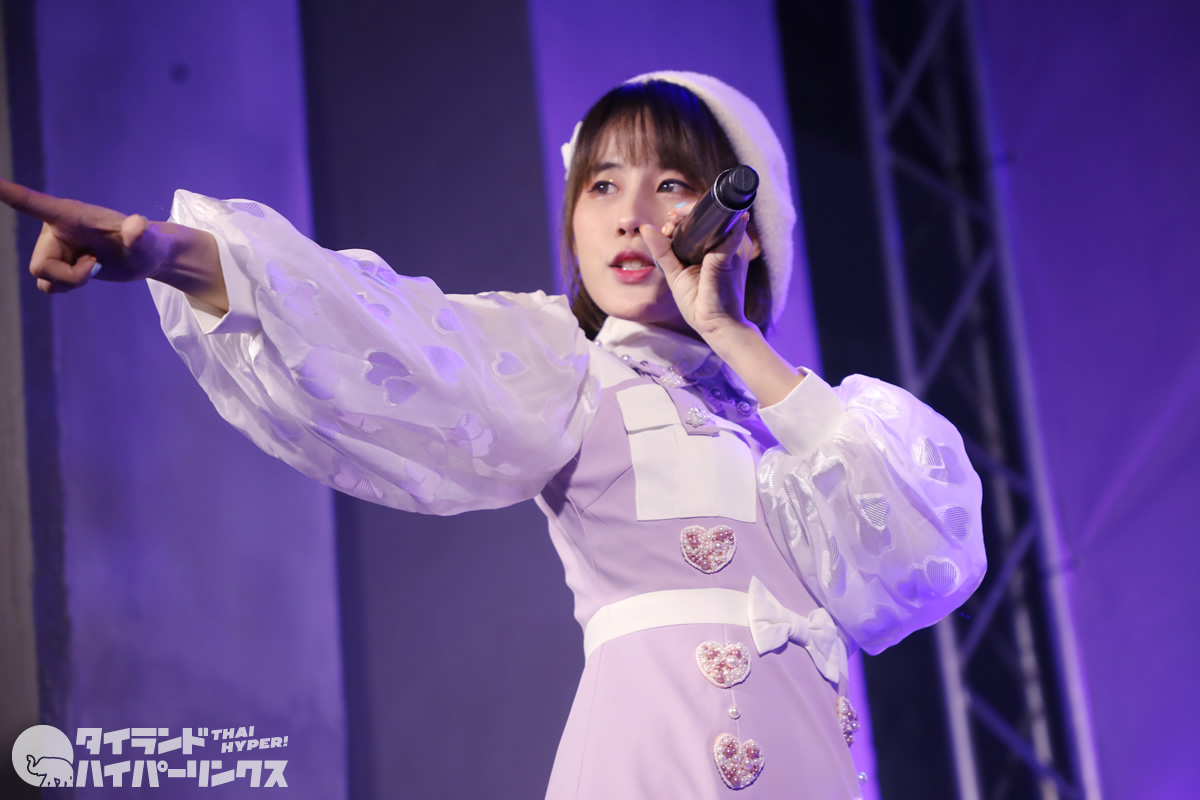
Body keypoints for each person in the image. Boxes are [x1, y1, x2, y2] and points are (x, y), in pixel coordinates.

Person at [3, 71, 986, 798]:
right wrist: (166, 253)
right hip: (661, 760)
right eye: (602, 186)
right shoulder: (565, 360)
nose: (632, 216)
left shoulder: (798, 425)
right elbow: (378, 327)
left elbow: (916, 555)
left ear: (744, 225)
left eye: (671, 185)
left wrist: (732, 335)